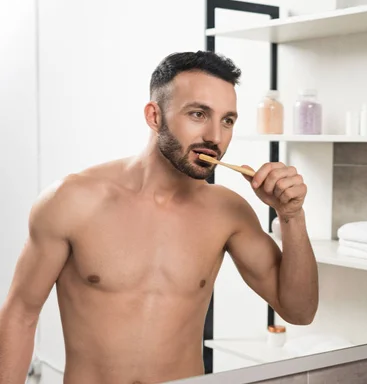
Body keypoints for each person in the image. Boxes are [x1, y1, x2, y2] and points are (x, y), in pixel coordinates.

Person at [0, 51, 319, 384]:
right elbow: (21, 313)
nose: (215, 135)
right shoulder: (73, 200)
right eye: (198, 114)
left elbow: (299, 311)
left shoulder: (229, 213)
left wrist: (291, 215)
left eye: (228, 120)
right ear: (154, 116)